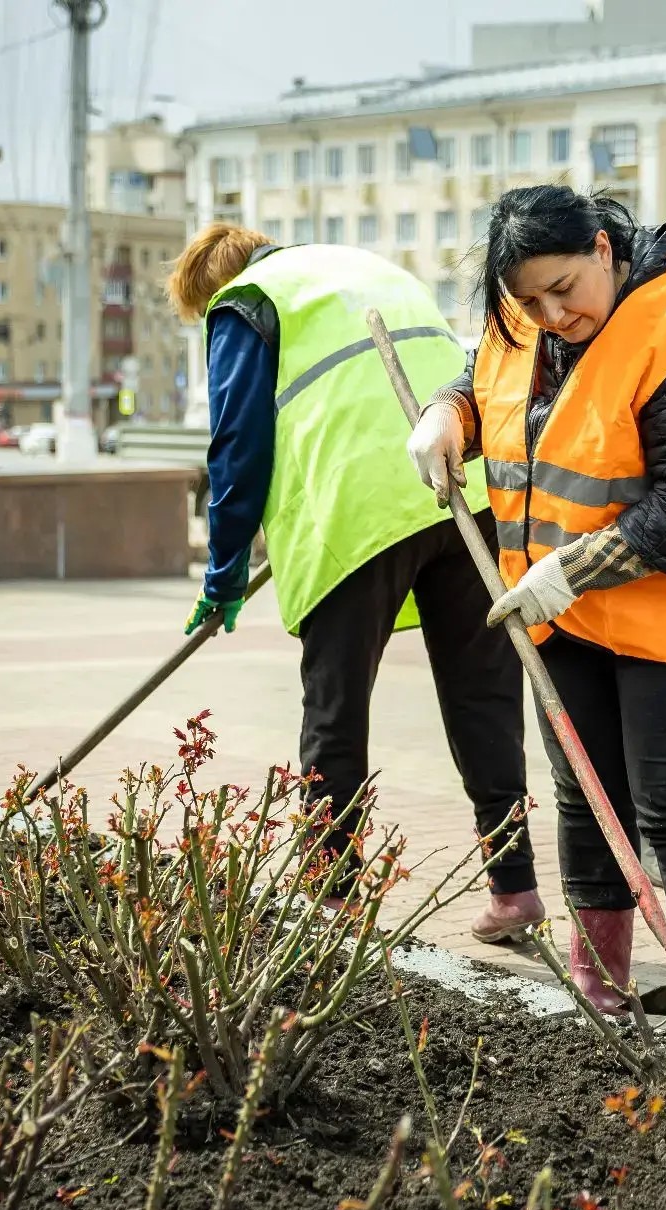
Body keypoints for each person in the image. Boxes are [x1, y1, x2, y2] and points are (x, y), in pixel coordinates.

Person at [409, 188, 666, 1040]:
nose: (550, 312)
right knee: (583, 795)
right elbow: (484, 381)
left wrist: (573, 570)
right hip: (560, 617)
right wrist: (445, 414)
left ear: (606, 249)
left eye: (565, 288)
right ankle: (600, 983)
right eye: (530, 298)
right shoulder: (524, 318)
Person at [168, 225, 544, 940]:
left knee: (335, 706)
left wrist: (222, 572)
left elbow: (237, 443)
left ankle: (331, 893)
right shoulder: (370, 268)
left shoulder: (246, 301)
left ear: (212, 285)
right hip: (458, 489)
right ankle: (515, 888)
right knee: (484, 699)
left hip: (356, 511)